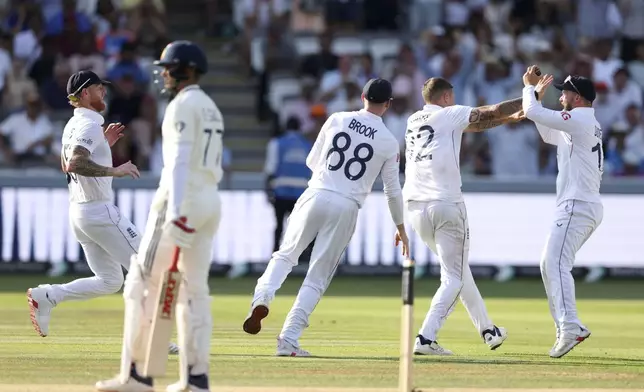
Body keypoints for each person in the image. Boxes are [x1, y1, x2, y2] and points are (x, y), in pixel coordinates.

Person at [243, 78, 410, 357]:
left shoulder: (337, 119)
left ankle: (261, 299)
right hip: (346, 204)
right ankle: (289, 337)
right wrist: (400, 226)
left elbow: (312, 162)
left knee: (285, 256)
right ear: (389, 105)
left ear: (362, 96)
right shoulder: (389, 142)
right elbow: (393, 191)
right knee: (317, 275)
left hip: (316, 192)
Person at [96, 41, 224, 392]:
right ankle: (196, 379)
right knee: (195, 290)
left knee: (139, 285)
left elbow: (180, 160)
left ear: (186, 69)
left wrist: (178, 211)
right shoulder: (210, 107)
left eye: (169, 67)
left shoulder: (182, 105)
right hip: (210, 202)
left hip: (178, 203)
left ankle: (136, 376)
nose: (164, 74)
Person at [404, 77, 524, 356]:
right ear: (446, 97)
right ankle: (425, 337)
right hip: (446, 204)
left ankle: (488, 330)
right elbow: (490, 111)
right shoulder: (449, 113)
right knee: (454, 278)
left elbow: (477, 123)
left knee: (457, 271)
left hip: (415, 208)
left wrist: (508, 120)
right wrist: (529, 98)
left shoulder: (415, 119)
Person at [522, 67, 603, 358]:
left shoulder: (579, 119)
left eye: (566, 92)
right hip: (580, 205)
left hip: (578, 205)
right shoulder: (583, 122)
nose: (562, 95)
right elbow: (547, 134)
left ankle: (570, 327)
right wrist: (537, 102)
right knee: (550, 264)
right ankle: (567, 326)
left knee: (554, 264)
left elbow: (532, 112)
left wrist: (530, 89)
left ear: (578, 98)